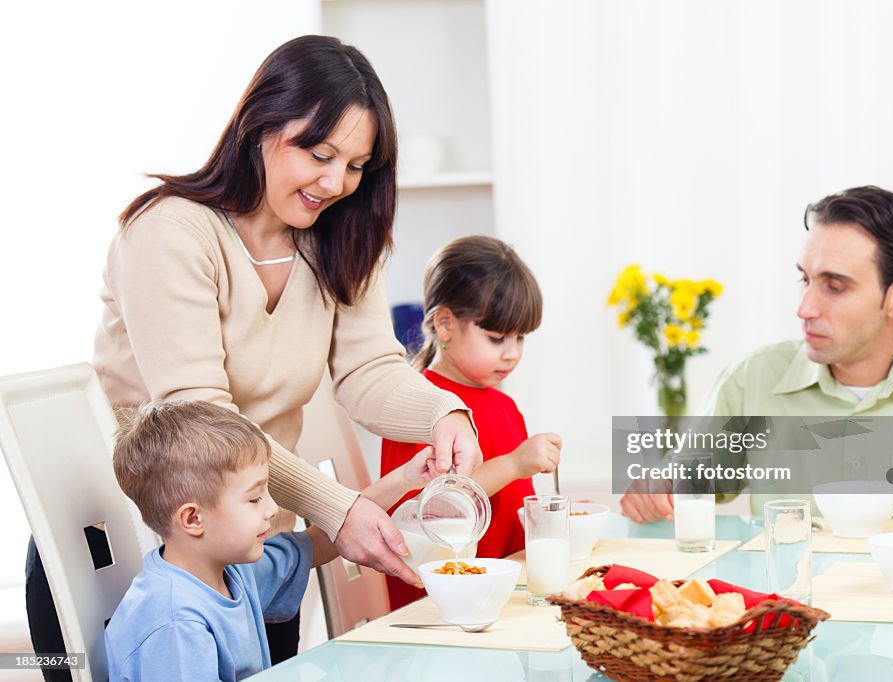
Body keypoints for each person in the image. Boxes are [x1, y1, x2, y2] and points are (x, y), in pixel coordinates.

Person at [24, 34, 485, 675]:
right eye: (319, 153)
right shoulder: (169, 232)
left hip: (250, 555)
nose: (336, 183)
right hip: (123, 553)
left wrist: (444, 412)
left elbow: (368, 370)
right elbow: (199, 419)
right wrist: (337, 506)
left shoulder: (341, 239)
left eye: (356, 165)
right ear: (259, 125)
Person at [620, 185, 893, 523]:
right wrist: (659, 489)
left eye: (835, 286)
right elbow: (688, 480)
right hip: (789, 611)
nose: (805, 308)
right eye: (806, 279)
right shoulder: (752, 379)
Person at [105, 400, 441, 680]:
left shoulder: (232, 572)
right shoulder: (177, 626)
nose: (272, 508)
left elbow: (323, 541)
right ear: (193, 519)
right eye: (254, 498)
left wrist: (404, 480)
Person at [380, 235, 562, 609]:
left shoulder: (504, 406)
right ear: (445, 324)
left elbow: (508, 515)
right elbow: (432, 512)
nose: (511, 353)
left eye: (520, 338)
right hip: (438, 606)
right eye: (496, 338)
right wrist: (514, 463)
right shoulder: (422, 405)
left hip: (498, 597)